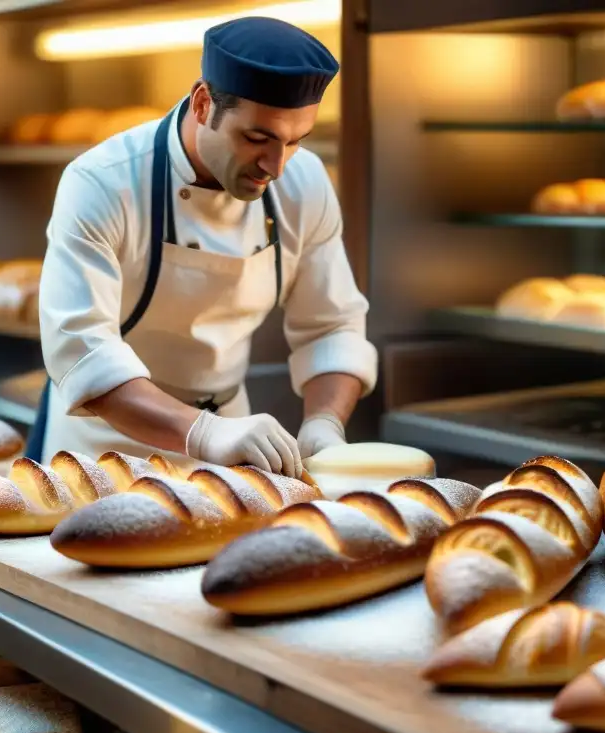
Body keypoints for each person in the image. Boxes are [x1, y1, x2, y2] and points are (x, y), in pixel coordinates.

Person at [25, 16, 377, 478]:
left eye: (294, 141)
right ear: (203, 103)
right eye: (257, 138)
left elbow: (332, 327)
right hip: (103, 447)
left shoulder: (304, 182)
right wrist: (204, 434)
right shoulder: (102, 183)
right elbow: (82, 353)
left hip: (234, 440)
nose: (276, 165)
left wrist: (324, 421)